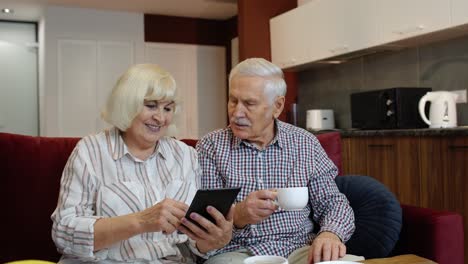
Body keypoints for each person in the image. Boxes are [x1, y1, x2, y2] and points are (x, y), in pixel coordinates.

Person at [51, 64, 233, 263]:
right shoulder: (90, 151)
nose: (160, 117)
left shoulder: (186, 155)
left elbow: (191, 244)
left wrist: (212, 240)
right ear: (127, 104)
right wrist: (139, 221)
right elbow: (64, 233)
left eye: (168, 108)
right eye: (151, 105)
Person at [196, 58, 356, 264]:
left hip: (299, 249)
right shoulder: (211, 147)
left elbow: (332, 202)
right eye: (233, 100)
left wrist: (330, 233)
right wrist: (239, 214)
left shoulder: (304, 143)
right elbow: (204, 220)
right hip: (236, 252)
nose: (236, 112)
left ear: (277, 106)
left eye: (249, 103)